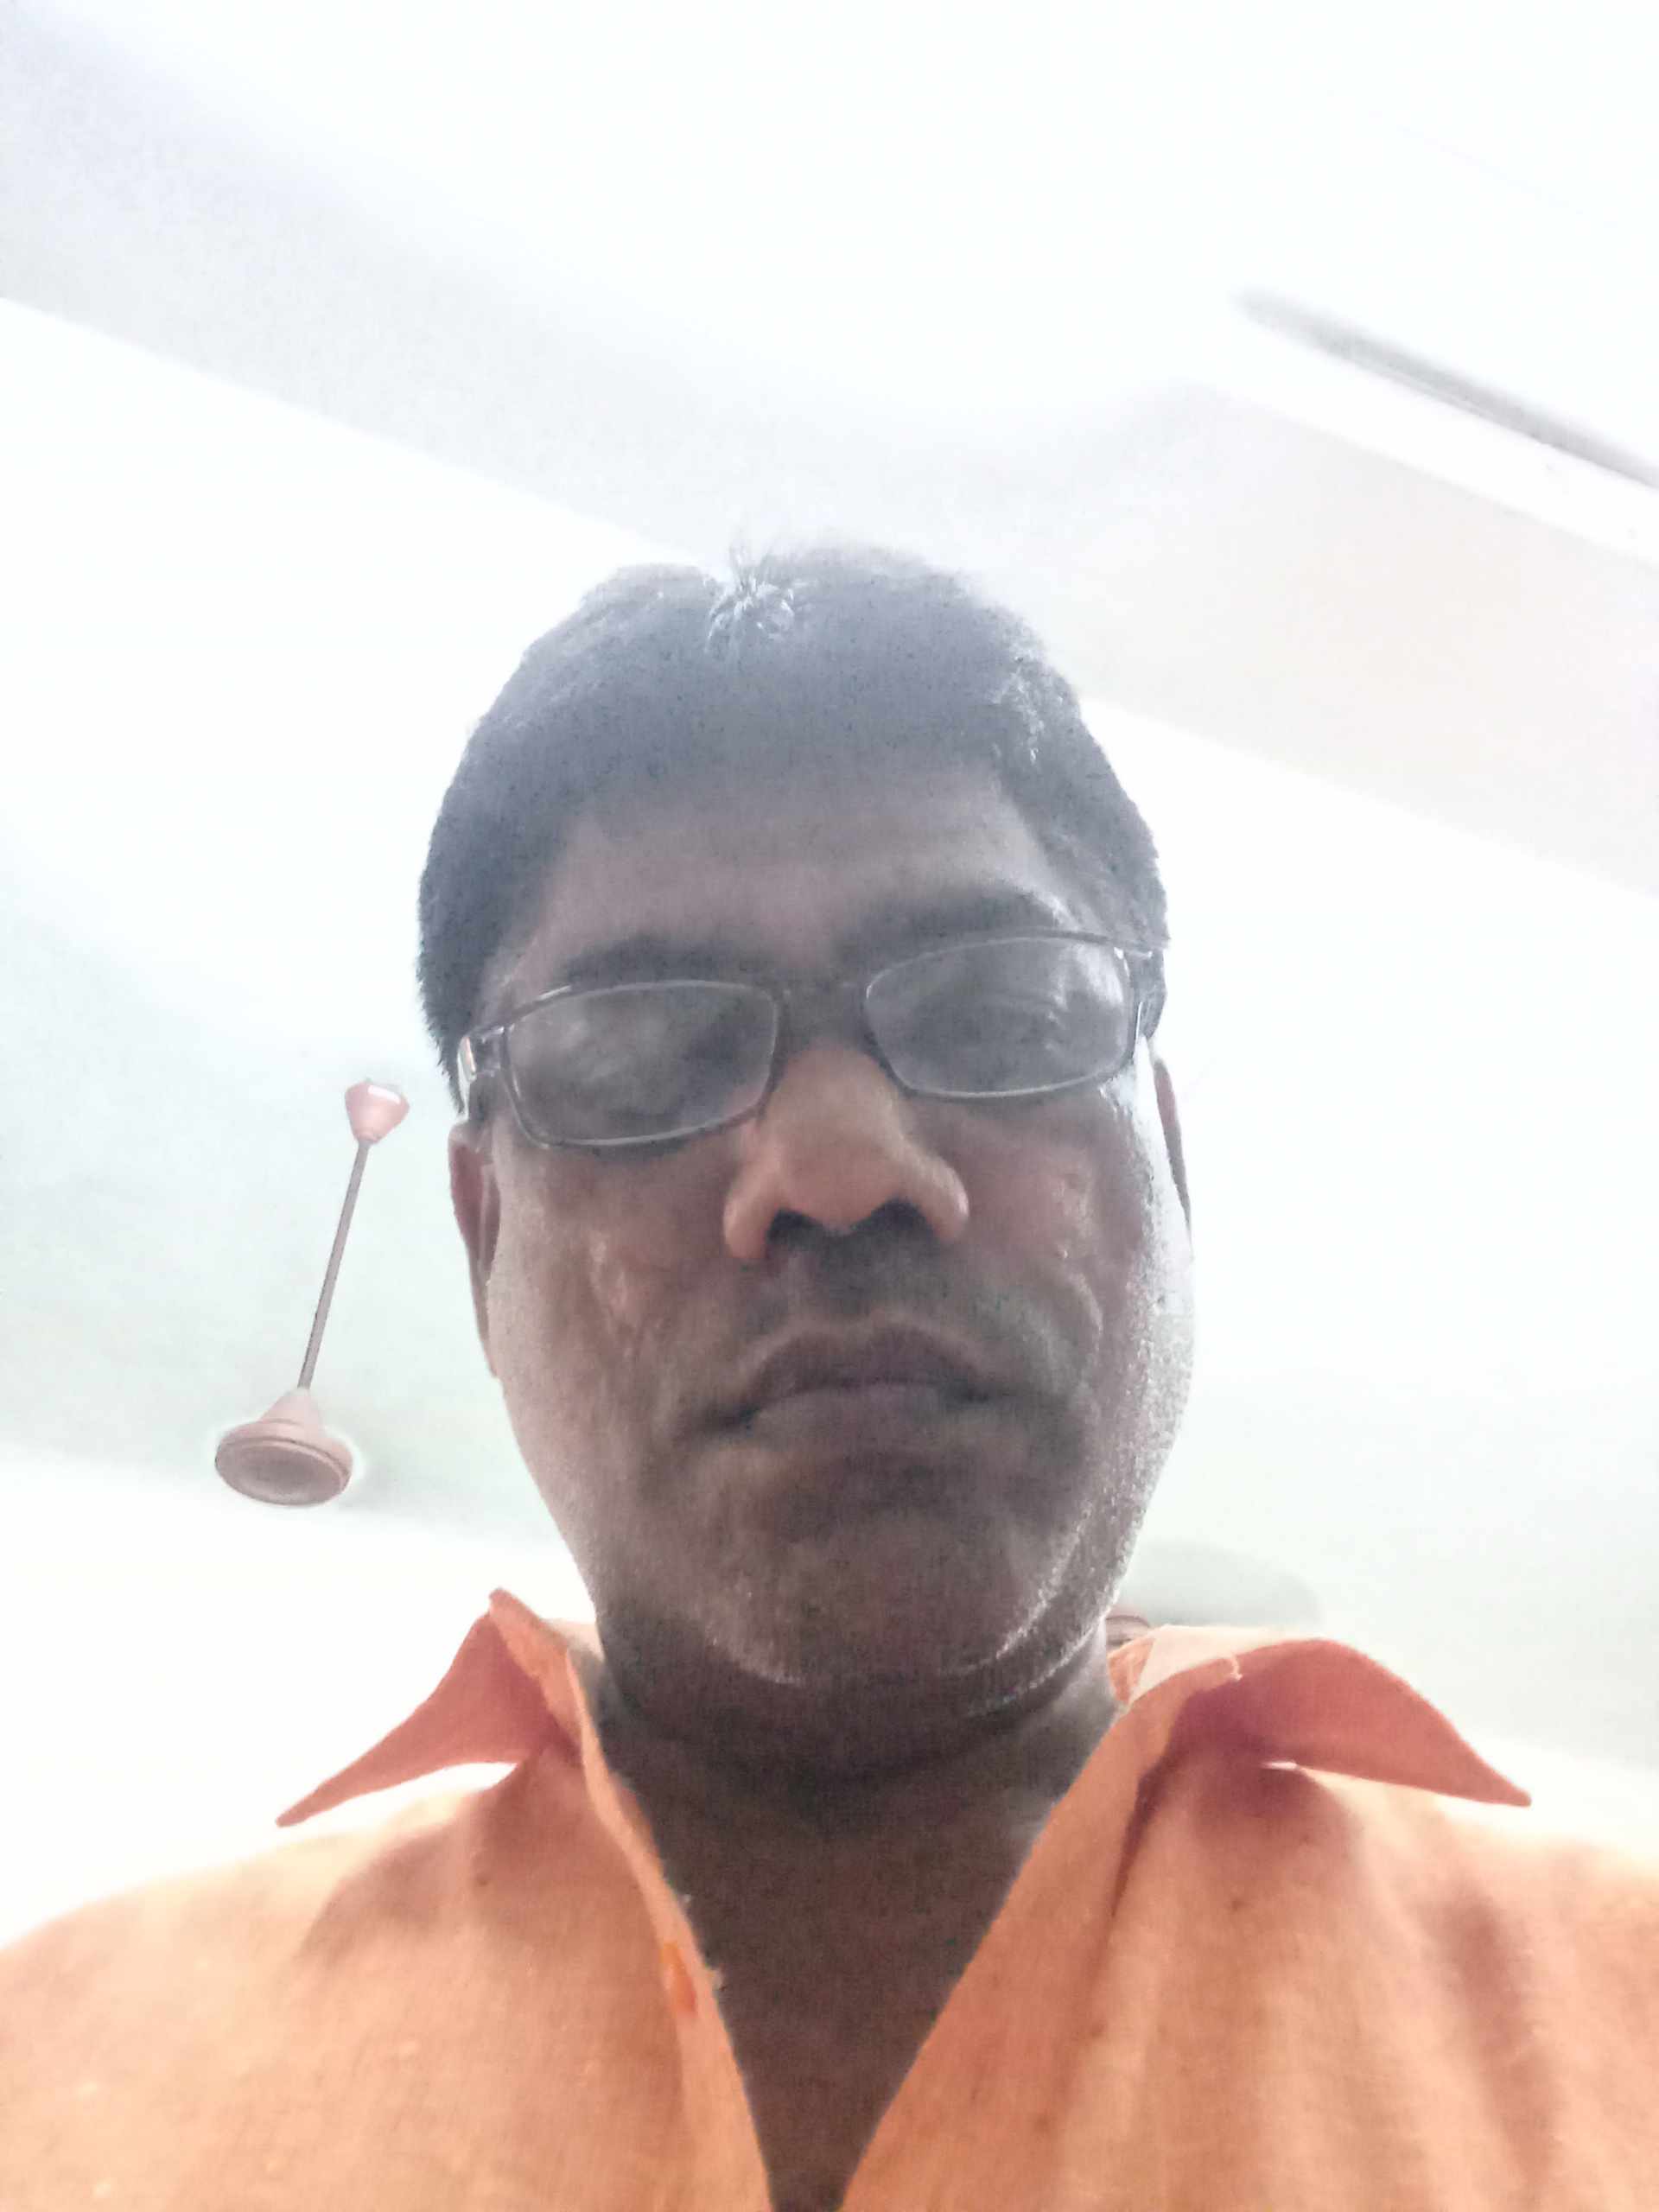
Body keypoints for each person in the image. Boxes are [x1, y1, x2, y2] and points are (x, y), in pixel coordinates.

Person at [3, 547, 1655, 2212]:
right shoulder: (55, 2079)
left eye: (1003, 1016)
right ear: (483, 1231)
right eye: (642, 1054)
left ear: (1165, 1156)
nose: (840, 1170)